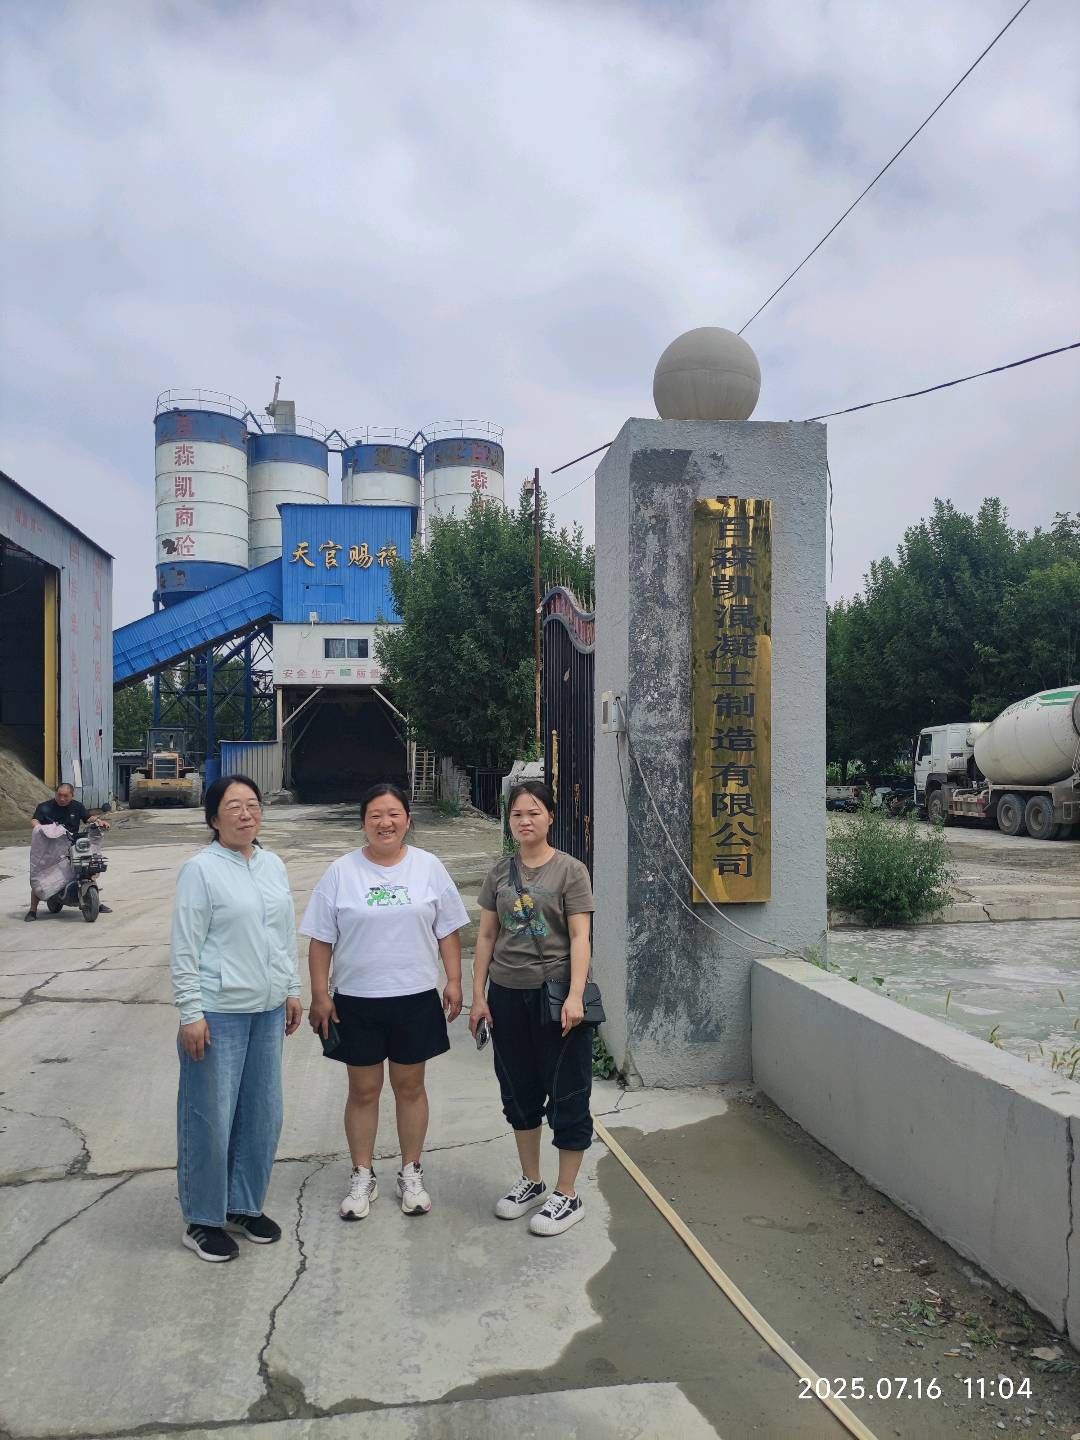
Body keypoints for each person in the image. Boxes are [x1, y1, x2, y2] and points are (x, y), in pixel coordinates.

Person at [302, 783, 469, 1221]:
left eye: (393, 814)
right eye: (375, 815)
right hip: (357, 1000)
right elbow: (321, 938)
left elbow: (448, 930)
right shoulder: (341, 872)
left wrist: (454, 980)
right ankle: (363, 1174)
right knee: (363, 1090)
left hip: (415, 996)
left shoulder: (429, 867)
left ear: (407, 820)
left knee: (410, 1088)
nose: (385, 822)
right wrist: (319, 994)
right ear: (363, 823)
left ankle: (411, 1172)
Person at [171, 774, 303, 1262]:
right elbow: (186, 947)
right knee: (209, 1117)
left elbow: (283, 935)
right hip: (218, 1012)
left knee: (262, 1113)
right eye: (233, 806)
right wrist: (191, 1011)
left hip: (267, 1011)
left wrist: (291, 988)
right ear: (213, 818)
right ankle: (202, 1219)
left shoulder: (272, 865)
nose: (246, 814)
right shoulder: (201, 870)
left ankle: (244, 1205)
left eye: (253, 804)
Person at [470, 780, 595, 1237]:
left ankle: (568, 1192)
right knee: (518, 1091)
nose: (525, 821)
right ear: (509, 820)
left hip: (555, 996)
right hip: (506, 995)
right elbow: (487, 936)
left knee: (567, 1091)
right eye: (518, 814)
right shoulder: (500, 874)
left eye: (534, 812)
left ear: (550, 817)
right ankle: (533, 1181)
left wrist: (576, 995)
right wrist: (479, 995)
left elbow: (580, 937)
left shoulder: (571, 871)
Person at [26, 783, 111, 920]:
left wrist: (99, 821)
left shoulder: (77, 806)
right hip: (49, 847)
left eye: (66, 796)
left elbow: (88, 818)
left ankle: (96, 902)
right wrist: (39, 829)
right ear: (56, 794)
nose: (62, 798)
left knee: (87, 868)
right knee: (41, 875)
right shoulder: (44, 807)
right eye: (59, 795)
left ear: (72, 795)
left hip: (72, 845)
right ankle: (32, 911)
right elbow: (35, 820)